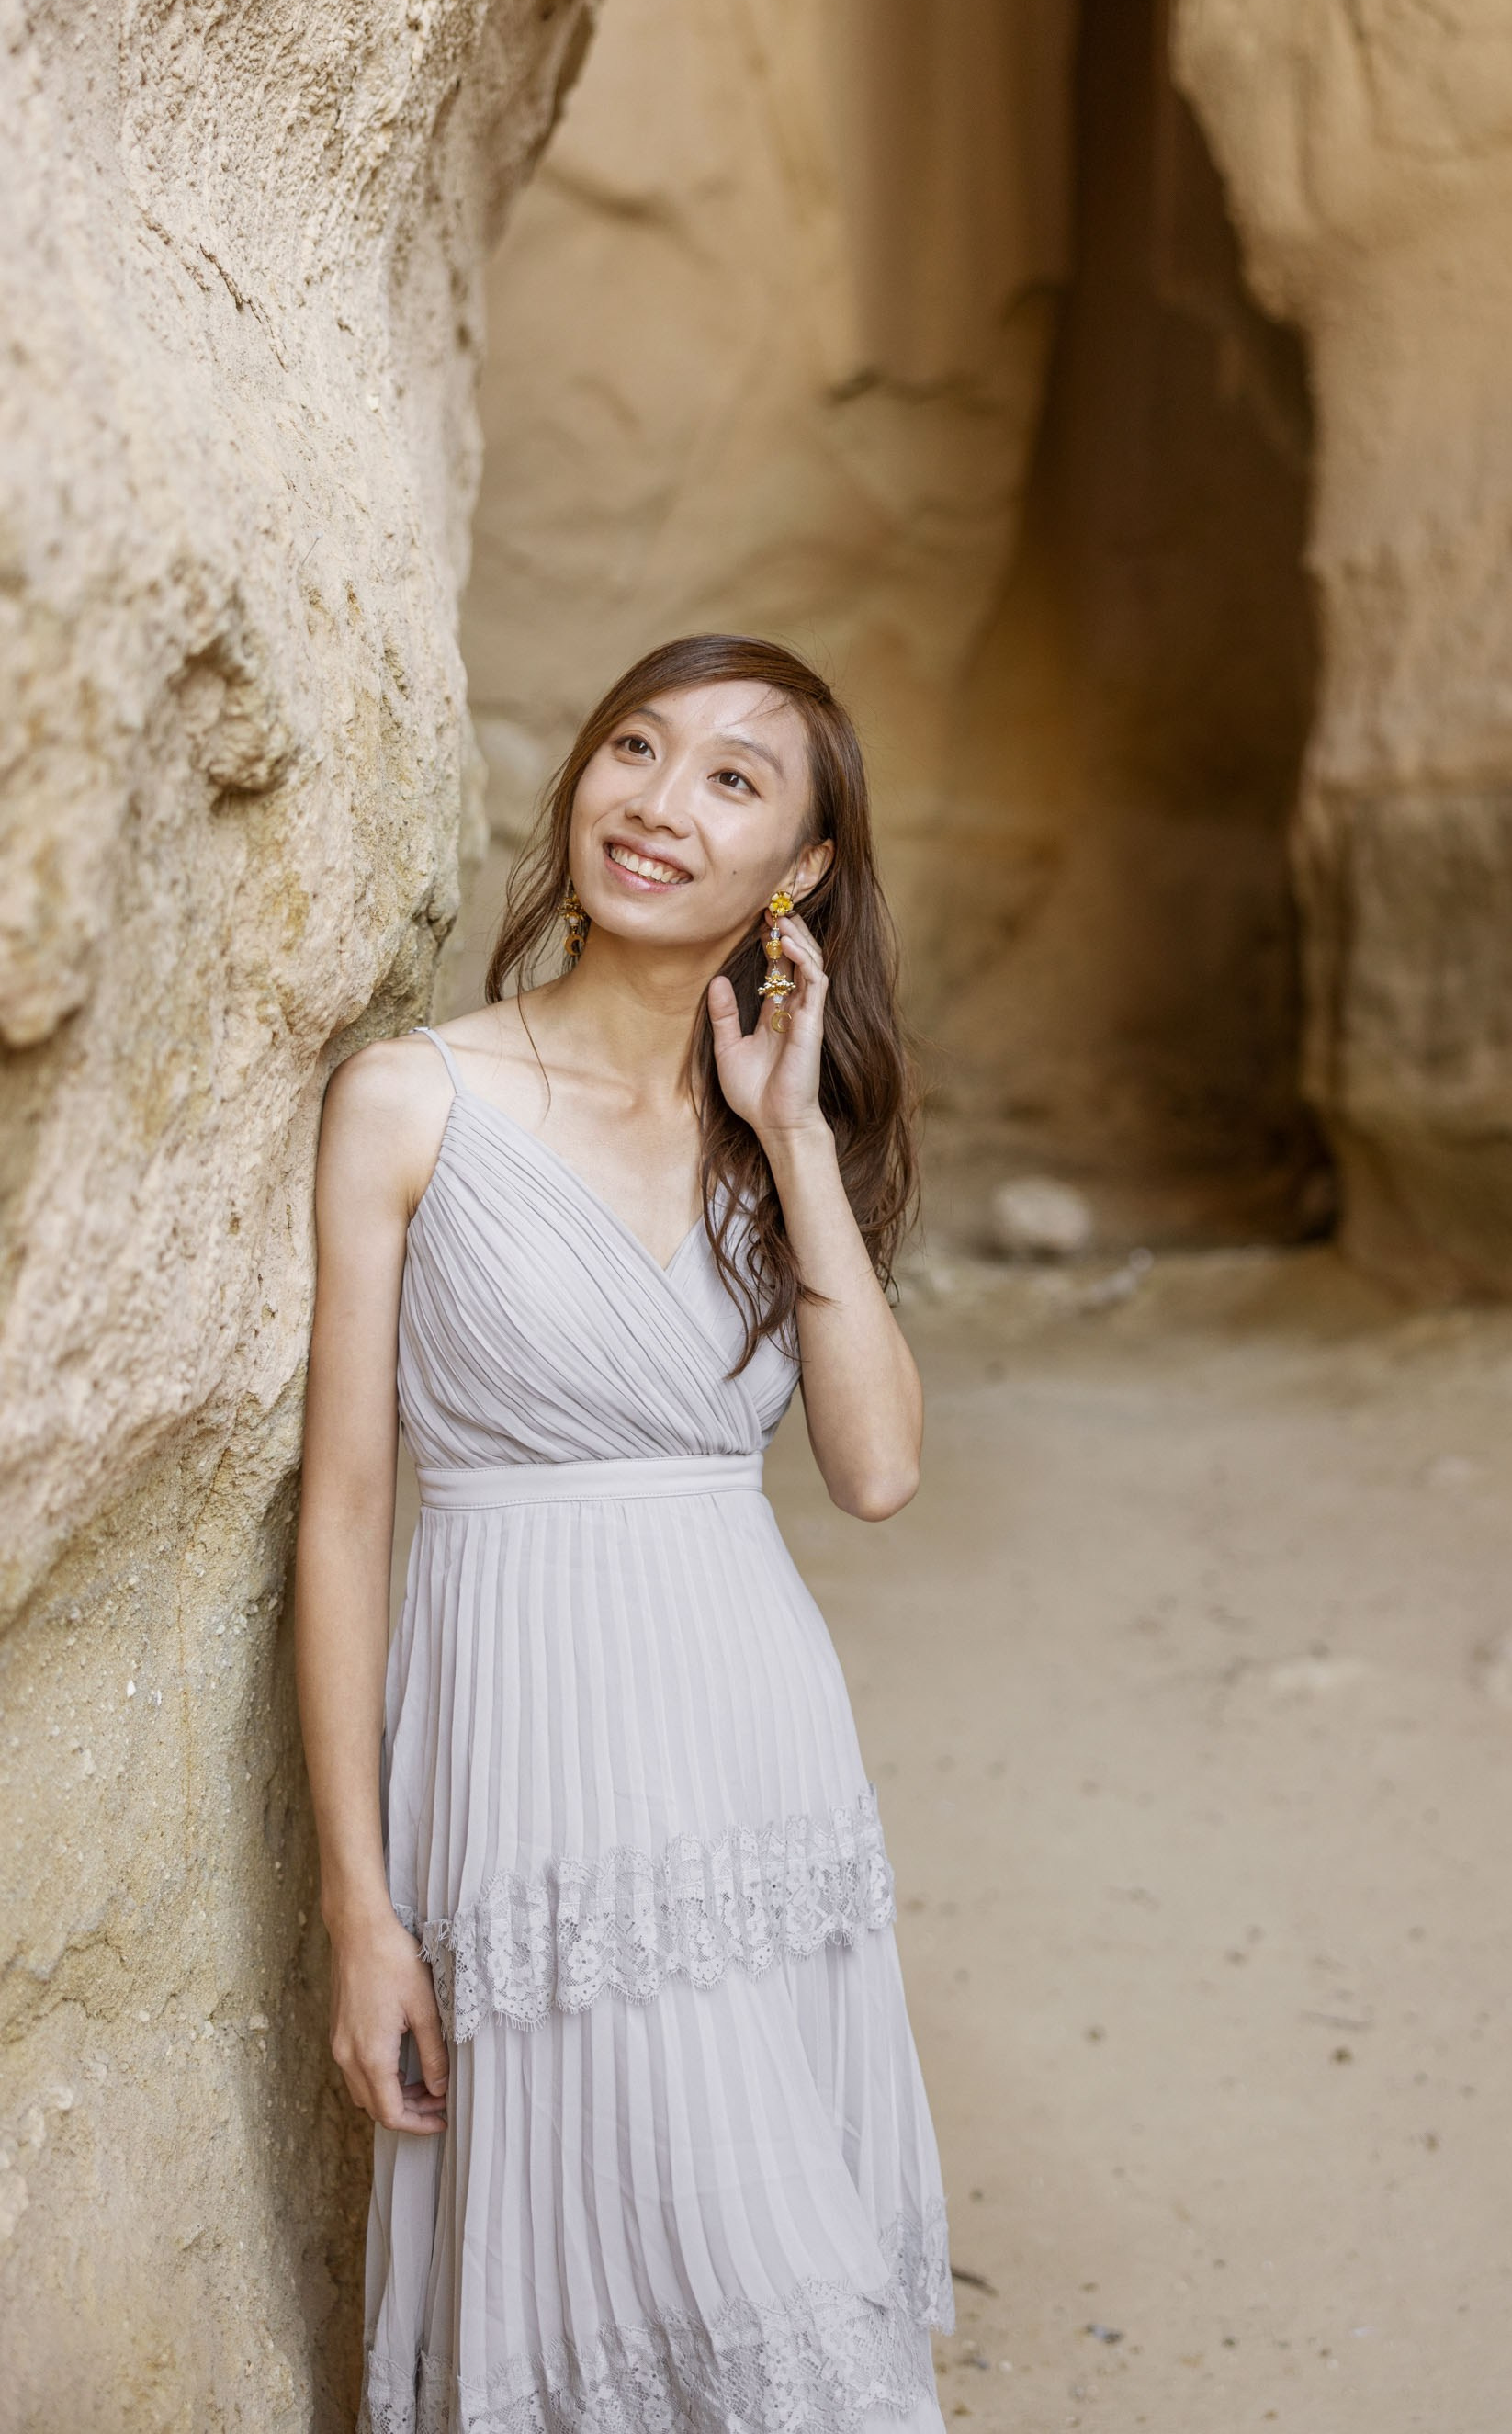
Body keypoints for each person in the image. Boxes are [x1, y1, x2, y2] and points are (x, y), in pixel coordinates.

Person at [295, 633, 953, 2434]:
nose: (659, 803)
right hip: (527, 1771)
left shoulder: (771, 1139)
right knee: (610, 2288)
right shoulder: (409, 1101)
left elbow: (876, 1469)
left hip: (751, 1759)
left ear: (800, 872)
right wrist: (361, 1911)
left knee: (789, 2294)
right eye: (634, 750)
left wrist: (793, 1135)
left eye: (734, 780)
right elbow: (346, 1520)